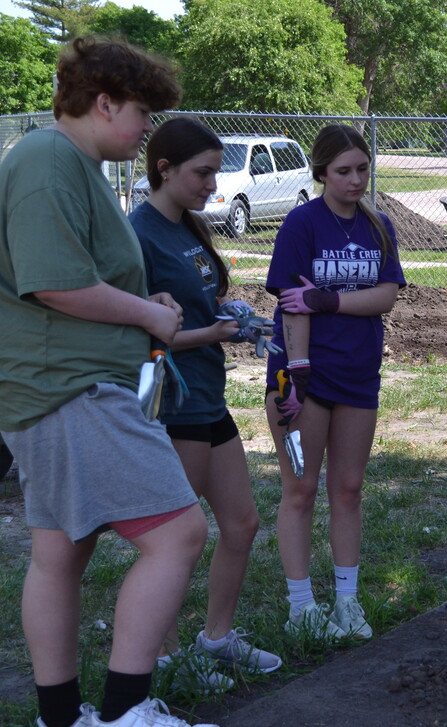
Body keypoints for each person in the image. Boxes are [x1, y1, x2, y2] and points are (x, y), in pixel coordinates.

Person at [0, 37, 218, 727]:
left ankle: (63, 718)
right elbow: (52, 283)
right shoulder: (50, 161)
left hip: (50, 388)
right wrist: (148, 314)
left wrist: (147, 313)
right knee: (177, 534)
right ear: (103, 101)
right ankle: (126, 711)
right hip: (70, 389)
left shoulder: (70, 164)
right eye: (141, 111)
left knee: (60, 554)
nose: (146, 129)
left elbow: (86, 280)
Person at [129, 117, 282, 692]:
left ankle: (215, 640)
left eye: (216, 172)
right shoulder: (138, 235)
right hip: (172, 405)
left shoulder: (188, 228)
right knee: (174, 540)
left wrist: (228, 320)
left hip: (207, 398)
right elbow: (140, 333)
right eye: (202, 172)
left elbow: (193, 305)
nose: (213, 186)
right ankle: (163, 657)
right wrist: (211, 335)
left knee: (241, 523)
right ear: (164, 169)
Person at [264, 123, 406, 641]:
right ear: (321, 171)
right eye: (343, 171)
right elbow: (290, 305)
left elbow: (386, 295)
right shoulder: (302, 225)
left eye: (362, 169)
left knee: (348, 489)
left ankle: (347, 604)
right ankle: (301, 607)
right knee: (300, 489)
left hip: (358, 376)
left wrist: (329, 299)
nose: (355, 180)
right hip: (302, 381)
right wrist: (295, 377)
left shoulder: (378, 226)